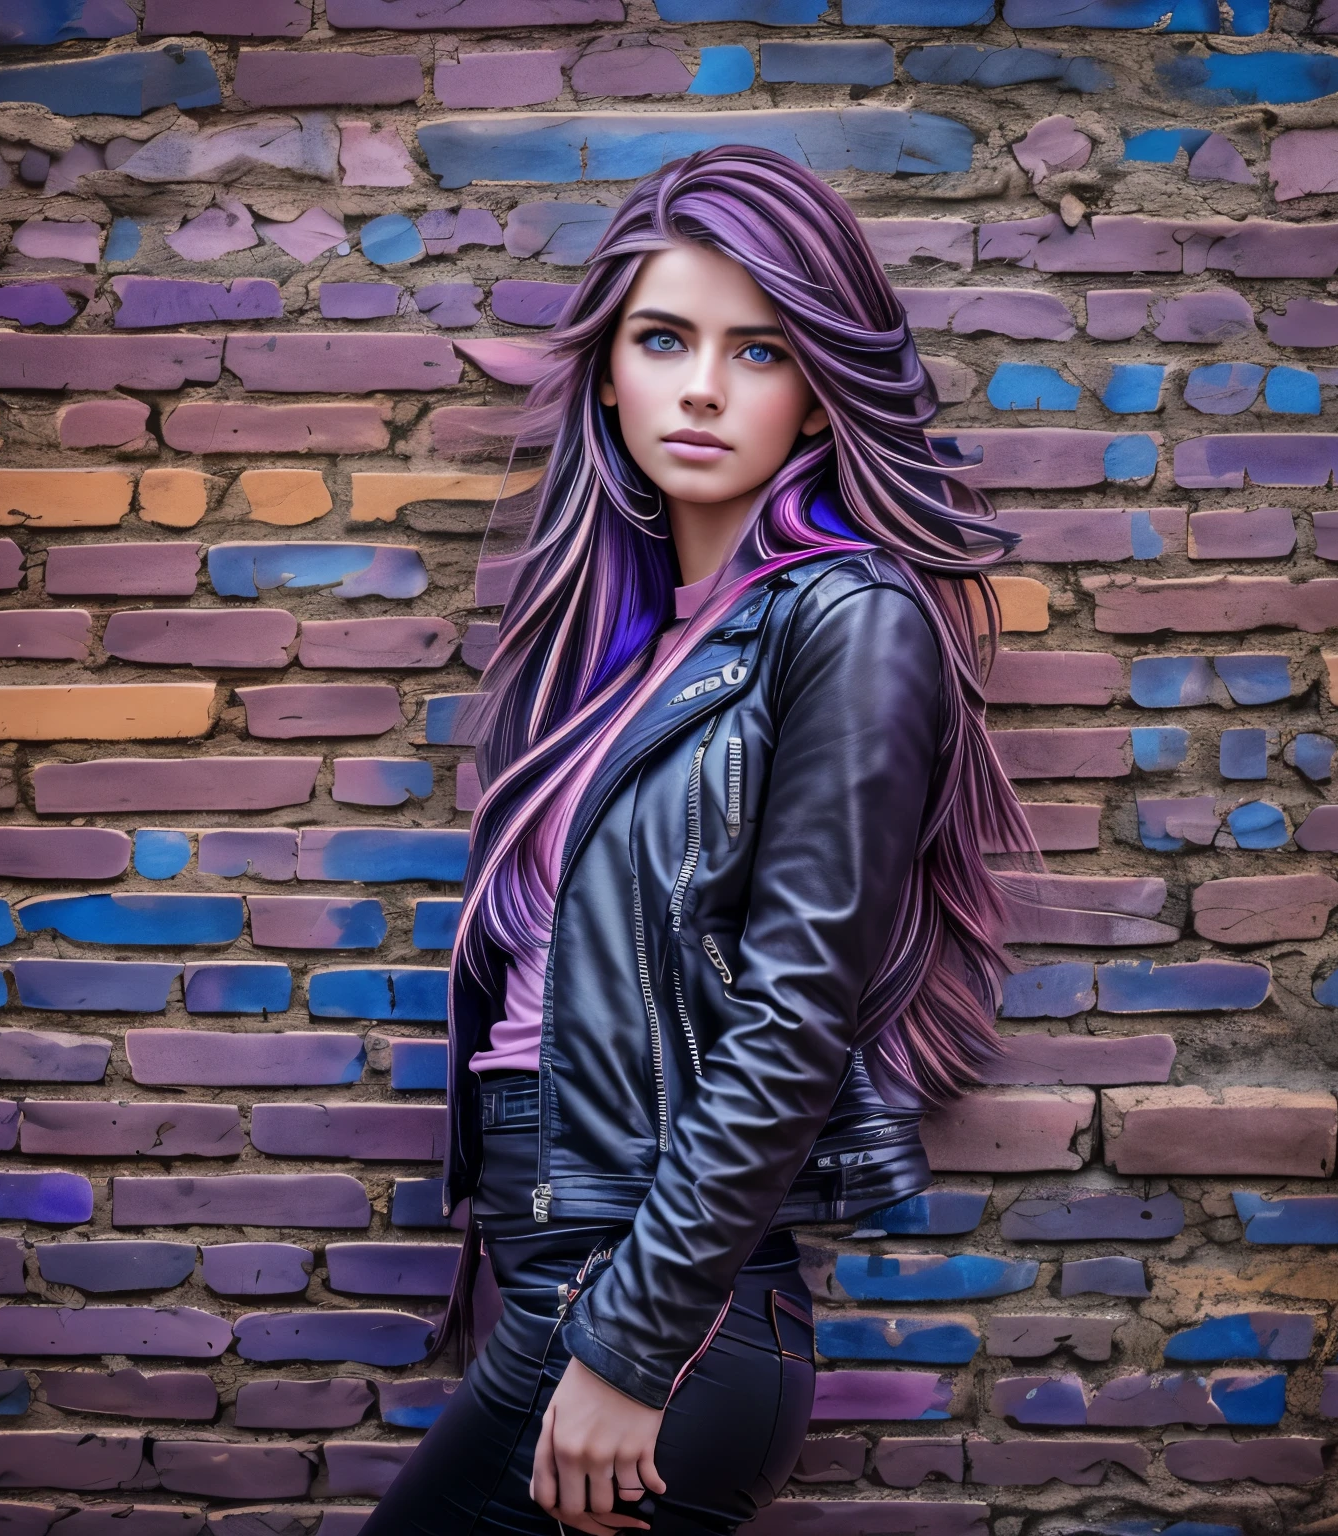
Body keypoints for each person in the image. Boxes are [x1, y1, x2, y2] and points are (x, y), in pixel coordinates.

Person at [359, 145, 1033, 1536]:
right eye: (664, 340)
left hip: (661, 1299)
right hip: (564, 1261)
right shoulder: (628, 651)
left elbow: (797, 1014)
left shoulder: (848, 620)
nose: (705, 388)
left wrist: (630, 1340)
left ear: (821, 388)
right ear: (609, 369)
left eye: (762, 349)